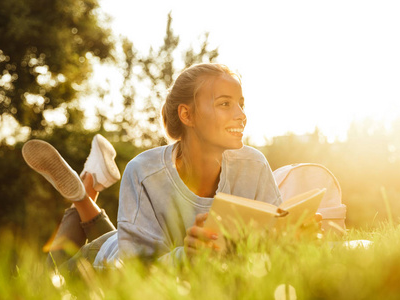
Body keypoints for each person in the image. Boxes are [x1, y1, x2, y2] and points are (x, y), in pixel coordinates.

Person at [23, 63, 283, 272]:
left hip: (135, 240)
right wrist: (188, 256)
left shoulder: (254, 165)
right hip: (111, 266)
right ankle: (82, 196)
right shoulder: (145, 172)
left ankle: (87, 188)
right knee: (47, 282)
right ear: (187, 115)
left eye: (241, 103)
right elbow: (137, 270)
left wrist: (295, 235)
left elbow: (273, 242)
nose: (241, 114)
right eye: (225, 103)